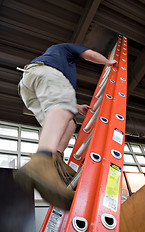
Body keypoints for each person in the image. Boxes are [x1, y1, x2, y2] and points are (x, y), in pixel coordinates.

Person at [13, 43, 117, 210]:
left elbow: (54, 99)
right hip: (44, 72)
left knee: (68, 123)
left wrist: (76, 107)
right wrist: (108, 62)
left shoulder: (57, 60)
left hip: (28, 86)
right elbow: (90, 54)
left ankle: (55, 162)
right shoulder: (64, 49)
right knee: (64, 108)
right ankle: (42, 162)